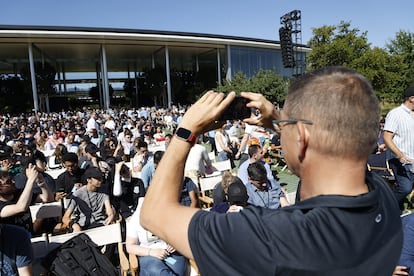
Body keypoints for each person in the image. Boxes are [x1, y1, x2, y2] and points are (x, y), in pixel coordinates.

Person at [140, 66, 402, 275]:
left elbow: (154, 214)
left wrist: (186, 131)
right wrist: (281, 121)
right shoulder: (384, 199)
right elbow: (333, 155)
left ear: (302, 137)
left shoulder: (271, 238)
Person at [125, 197, 188, 276]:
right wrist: (151, 252)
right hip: (148, 255)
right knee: (158, 272)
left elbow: (181, 233)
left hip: (171, 254)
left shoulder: (167, 213)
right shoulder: (135, 220)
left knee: (178, 273)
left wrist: (175, 242)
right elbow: (130, 246)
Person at [383, 86, 414, 210]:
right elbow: (386, 137)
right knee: (405, 188)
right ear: (411, 98)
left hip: (412, 160)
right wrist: (400, 155)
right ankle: (385, 208)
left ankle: (398, 210)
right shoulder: (395, 114)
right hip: (399, 159)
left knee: (408, 188)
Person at [62, 167, 115, 232]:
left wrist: (111, 215)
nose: (101, 180)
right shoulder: (78, 194)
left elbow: (108, 208)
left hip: (100, 222)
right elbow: (65, 217)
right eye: (97, 179)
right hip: (83, 224)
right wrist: (73, 225)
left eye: (101, 178)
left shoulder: (104, 190)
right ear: (89, 180)